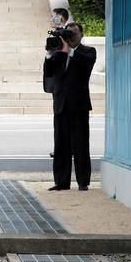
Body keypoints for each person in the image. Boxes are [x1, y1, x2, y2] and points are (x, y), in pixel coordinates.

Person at [43, 21, 96, 191]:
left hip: (78, 105)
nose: (70, 37)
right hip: (60, 104)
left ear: (81, 35)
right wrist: (50, 54)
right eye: (68, 34)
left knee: (80, 144)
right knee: (60, 145)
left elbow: (86, 67)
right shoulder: (59, 52)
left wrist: (70, 51)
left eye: (73, 34)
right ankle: (61, 182)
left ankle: (83, 182)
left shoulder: (88, 52)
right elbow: (49, 73)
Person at [47, 7, 69, 158]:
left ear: (62, 19)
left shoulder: (68, 34)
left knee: (64, 120)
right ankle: (59, 147)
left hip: (65, 85)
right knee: (58, 120)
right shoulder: (54, 36)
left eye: (55, 18)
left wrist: (61, 31)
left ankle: (64, 147)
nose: (51, 20)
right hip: (57, 84)